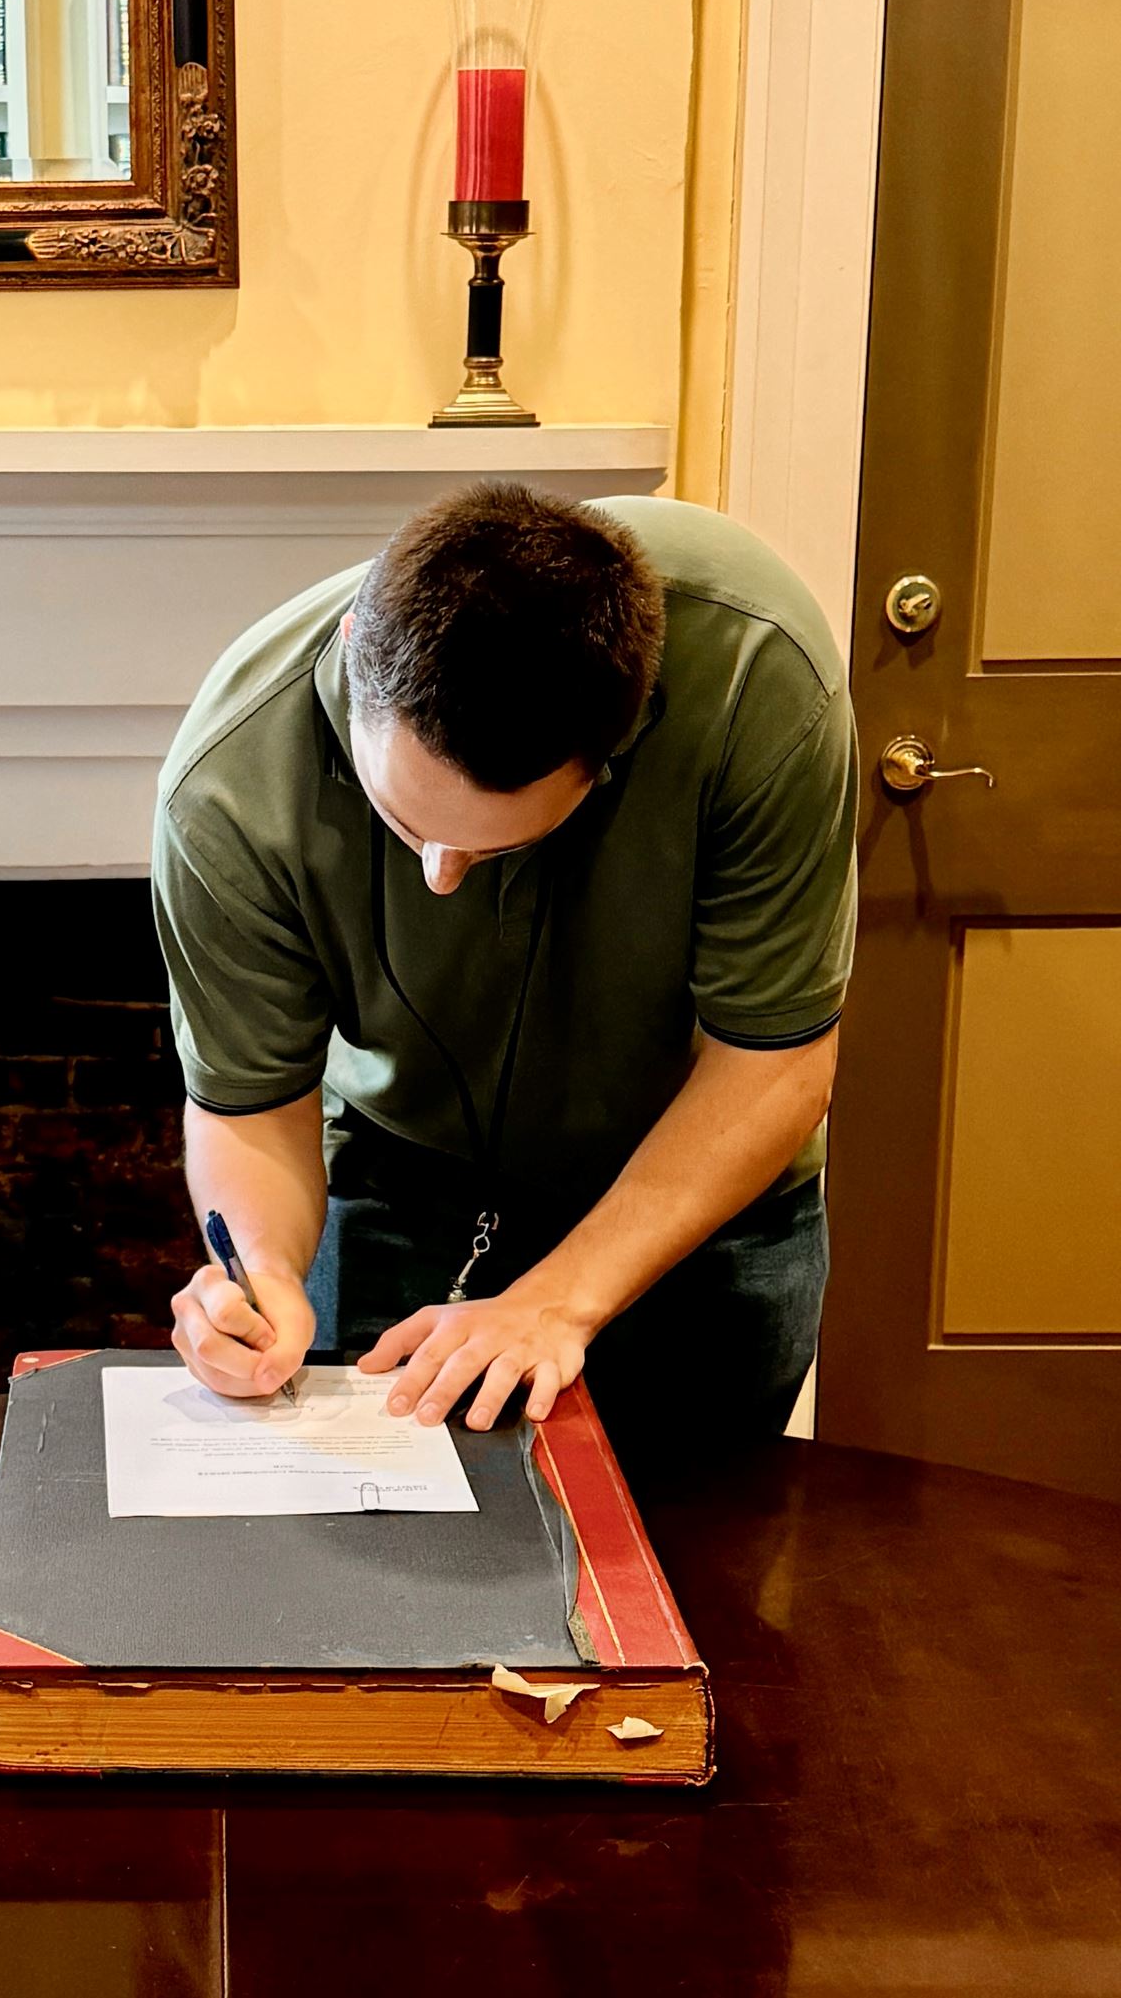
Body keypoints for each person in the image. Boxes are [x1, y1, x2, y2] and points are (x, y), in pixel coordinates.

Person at [155, 483, 856, 1468]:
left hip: (702, 1203)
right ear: (358, 648)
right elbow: (247, 1098)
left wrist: (556, 1300)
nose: (438, 877)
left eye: (490, 850)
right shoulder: (225, 786)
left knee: (700, 1588)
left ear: (618, 741)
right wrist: (260, 1267)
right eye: (404, 825)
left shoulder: (753, 669)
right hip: (402, 1184)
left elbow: (773, 1059)